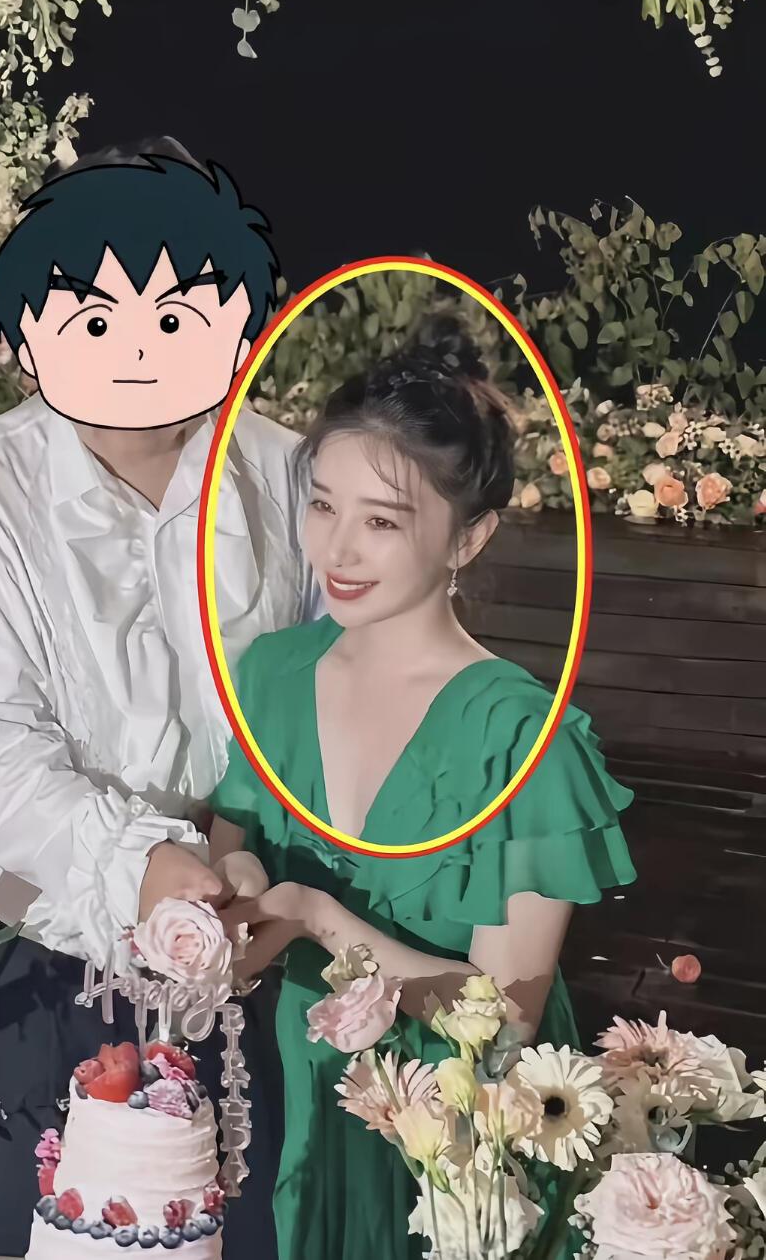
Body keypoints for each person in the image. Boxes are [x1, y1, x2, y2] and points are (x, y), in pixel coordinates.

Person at [0, 139, 315, 1258]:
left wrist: (258, 873)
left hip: (247, 955)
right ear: (32, 333)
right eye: (94, 316)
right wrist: (144, 866)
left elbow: (324, 701)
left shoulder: (287, 474)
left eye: (177, 316)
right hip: (37, 948)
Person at [209, 313, 637, 1260]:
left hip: (460, 1135)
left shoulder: (524, 740)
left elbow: (507, 1024)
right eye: (323, 506)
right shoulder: (273, 672)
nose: (337, 551)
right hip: (293, 1088)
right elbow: (232, 839)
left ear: (468, 539)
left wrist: (318, 918)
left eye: (382, 522)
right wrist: (234, 888)